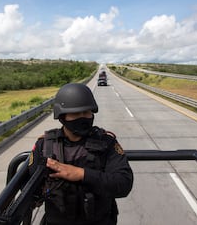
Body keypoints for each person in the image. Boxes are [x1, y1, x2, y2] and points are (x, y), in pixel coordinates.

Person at [28, 83, 133, 225]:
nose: (83, 117)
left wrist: (81, 174)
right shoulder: (46, 145)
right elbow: (29, 189)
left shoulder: (106, 143)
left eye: (87, 112)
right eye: (76, 113)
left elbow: (123, 183)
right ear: (62, 116)